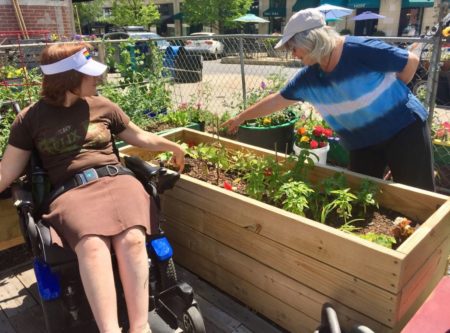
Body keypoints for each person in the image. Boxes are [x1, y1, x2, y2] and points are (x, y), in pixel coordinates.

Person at [0, 43, 186, 333]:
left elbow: (139, 136)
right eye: (90, 75)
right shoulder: (29, 119)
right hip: (71, 193)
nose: (98, 79)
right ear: (68, 78)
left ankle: (140, 328)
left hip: (119, 181)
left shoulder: (104, 106)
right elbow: (7, 171)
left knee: (133, 240)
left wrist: (172, 145)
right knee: (92, 247)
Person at [222, 8, 435, 191]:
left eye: (293, 48)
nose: (293, 54)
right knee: (361, 195)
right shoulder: (309, 77)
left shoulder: (357, 49)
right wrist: (241, 118)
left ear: (310, 39)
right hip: (363, 143)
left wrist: (390, 99)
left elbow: (410, 62)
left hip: (404, 129)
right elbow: (277, 100)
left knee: (417, 197)